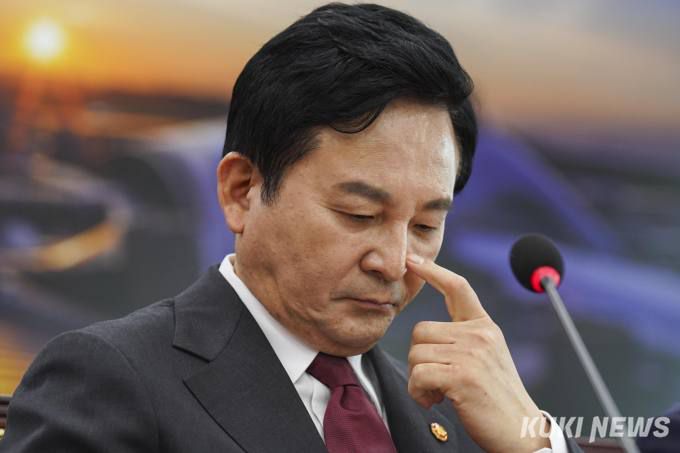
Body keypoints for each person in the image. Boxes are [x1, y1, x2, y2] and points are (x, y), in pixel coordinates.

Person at [1, 3, 581, 452]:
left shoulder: (459, 411)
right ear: (242, 191)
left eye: (427, 224)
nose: (393, 261)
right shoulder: (110, 378)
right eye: (358, 215)